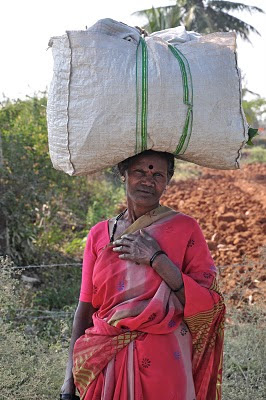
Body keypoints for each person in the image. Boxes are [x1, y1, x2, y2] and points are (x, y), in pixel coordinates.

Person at [60, 150, 225, 400]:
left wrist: (156, 259)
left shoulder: (185, 229)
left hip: (165, 362)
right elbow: (84, 309)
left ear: (168, 181)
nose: (148, 180)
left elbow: (208, 305)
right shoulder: (98, 234)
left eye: (158, 174)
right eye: (140, 172)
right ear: (122, 174)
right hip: (105, 358)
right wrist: (68, 381)